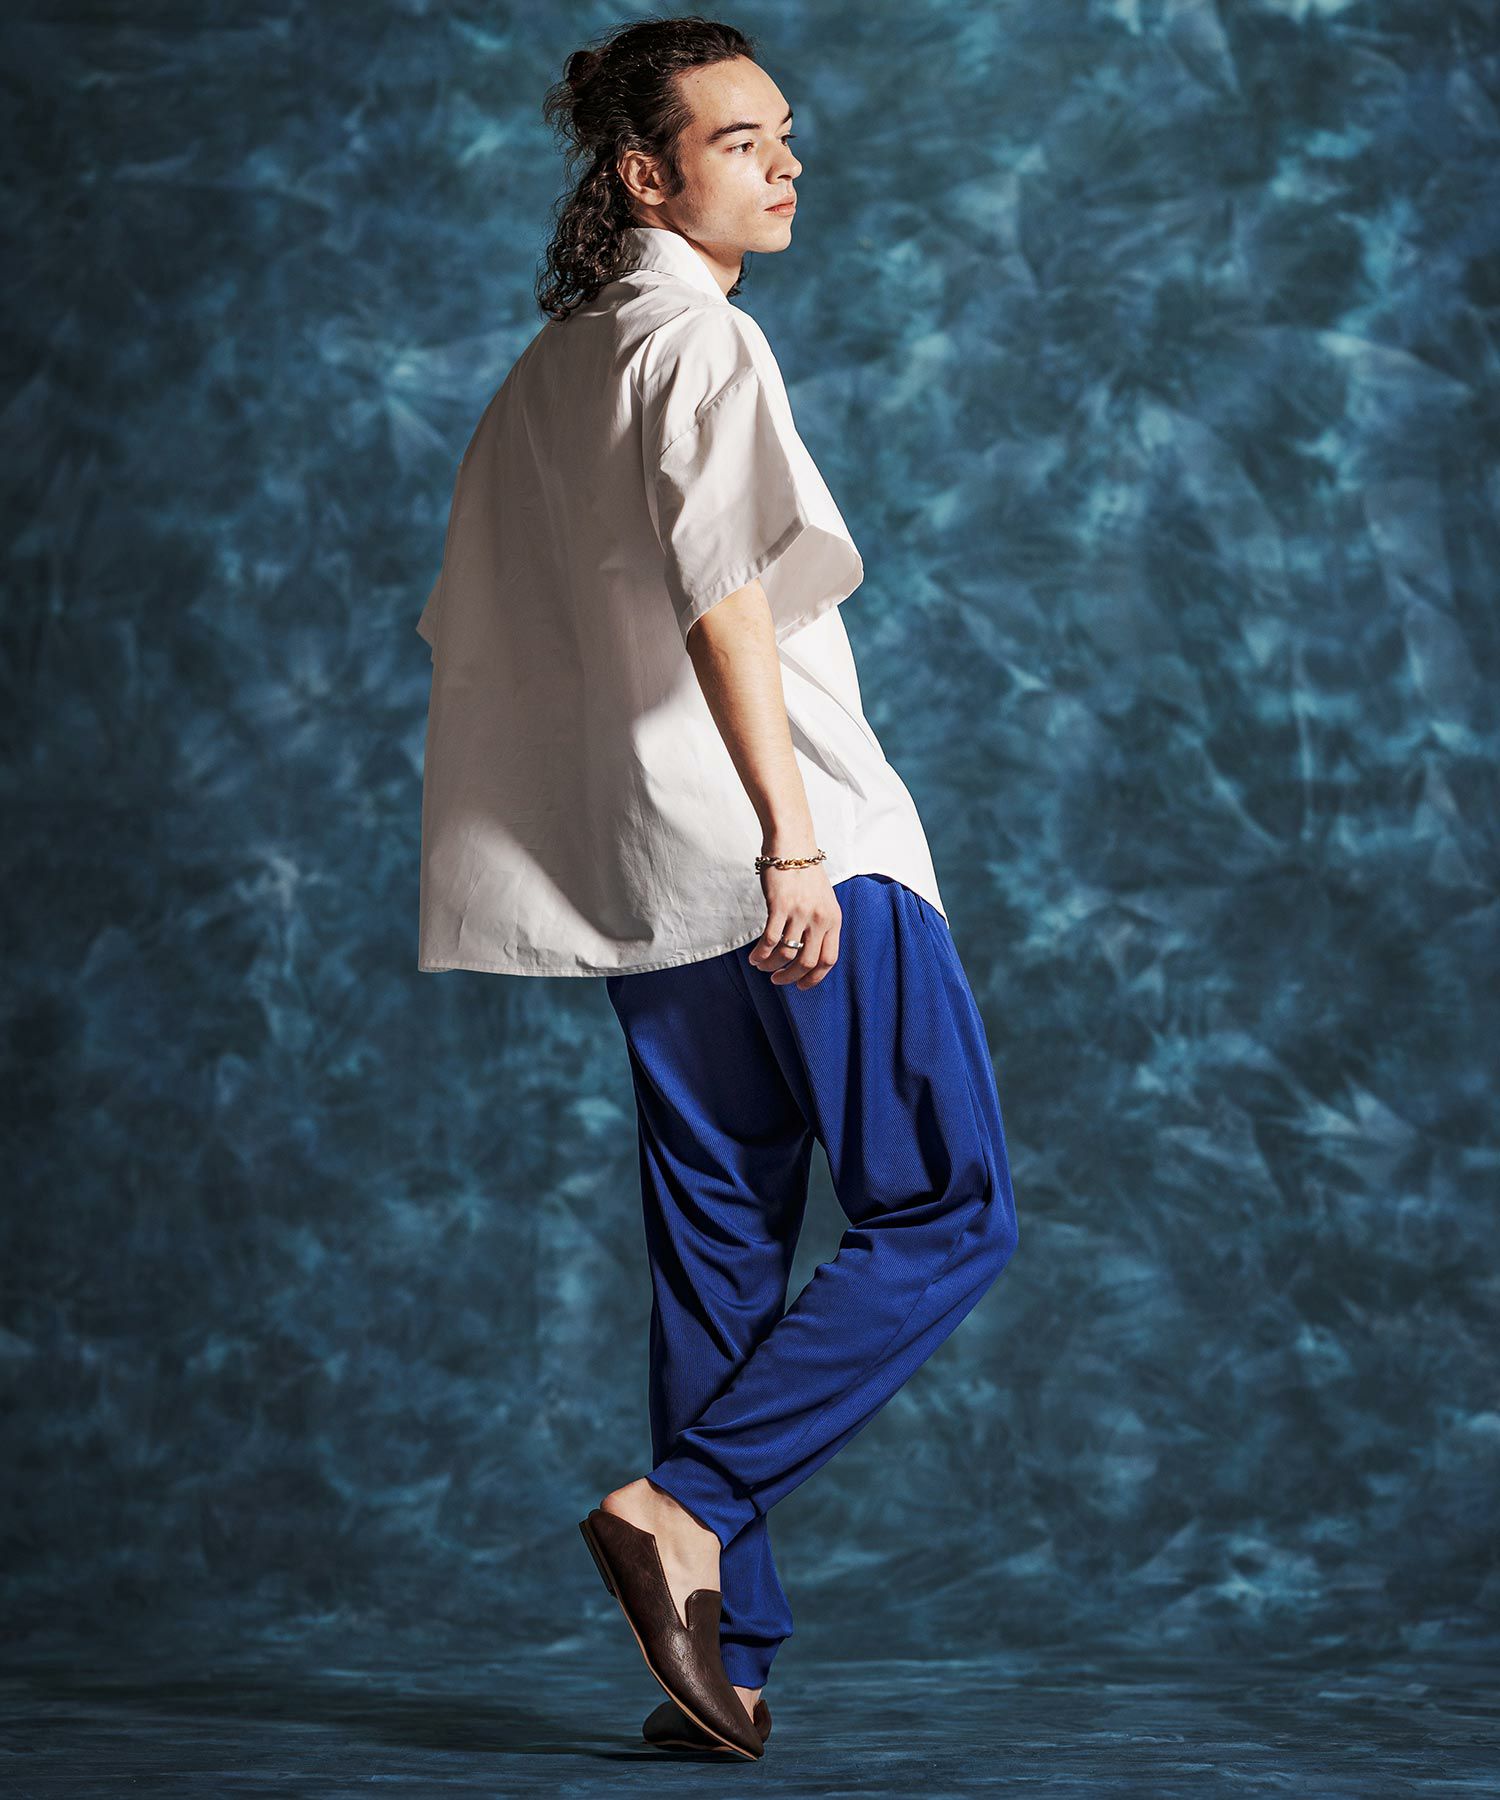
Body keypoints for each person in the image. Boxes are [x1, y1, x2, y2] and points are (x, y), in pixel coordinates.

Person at [415, 17, 1018, 1761]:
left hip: (648, 881)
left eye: (782, 133)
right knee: (946, 1208)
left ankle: (719, 1666)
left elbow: (484, 639)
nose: (786, 163)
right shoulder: (699, 341)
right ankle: (685, 1505)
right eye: (740, 141)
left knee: (721, 1258)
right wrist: (791, 838)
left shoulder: (552, 372)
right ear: (646, 173)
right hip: (794, 854)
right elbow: (720, 594)